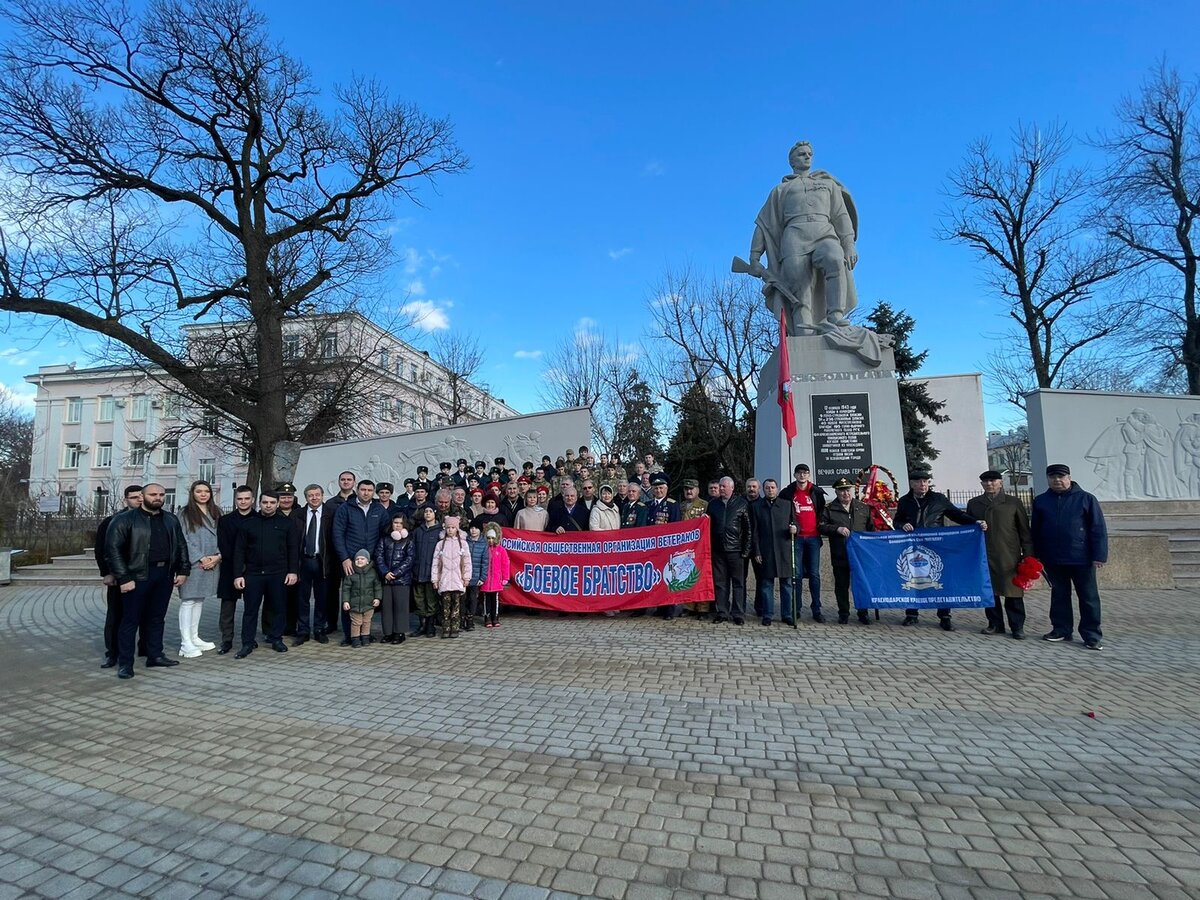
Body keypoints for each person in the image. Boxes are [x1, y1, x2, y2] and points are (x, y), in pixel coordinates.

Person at [748, 140, 858, 329]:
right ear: (792, 161)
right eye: (802, 154)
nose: (807, 156)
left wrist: (848, 244)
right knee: (799, 288)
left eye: (809, 154)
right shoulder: (780, 190)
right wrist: (754, 256)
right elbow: (764, 224)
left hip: (824, 232)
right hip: (794, 237)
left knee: (835, 259)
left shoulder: (827, 185)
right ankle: (803, 329)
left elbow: (841, 216)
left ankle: (835, 315)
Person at [104, 483, 191, 679]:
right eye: (153, 494)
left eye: (161, 494)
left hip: (164, 576)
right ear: (142, 497)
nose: (158, 497)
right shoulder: (124, 520)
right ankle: (125, 663)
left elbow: (181, 545)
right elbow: (113, 551)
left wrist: (184, 569)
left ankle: (155, 655)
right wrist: (124, 578)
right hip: (137, 577)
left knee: (156, 618)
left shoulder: (170, 519)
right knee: (130, 620)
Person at [893, 466, 986, 630]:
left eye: (925, 481)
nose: (923, 484)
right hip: (914, 546)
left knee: (940, 578)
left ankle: (944, 616)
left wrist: (975, 522)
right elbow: (897, 520)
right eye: (919, 481)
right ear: (912, 484)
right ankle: (912, 614)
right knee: (912, 578)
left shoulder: (938, 499)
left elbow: (957, 515)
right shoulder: (905, 501)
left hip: (936, 545)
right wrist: (902, 524)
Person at [1032, 464, 1108, 650]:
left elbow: (1098, 529)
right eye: (1052, 477)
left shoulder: (1086, 499)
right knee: (1059, 595)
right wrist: (1036, 555)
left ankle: (1091, 635)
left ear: (1069, 477)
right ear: (1048, 479)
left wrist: (1099, 555)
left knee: (1088, 597)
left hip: (1081, 558)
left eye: (1061, 476)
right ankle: (1061, 629)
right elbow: (1035, 531)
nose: (1057, 480)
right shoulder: (1041, 501)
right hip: (1053, 558)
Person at [231, 491, 300, 658]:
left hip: (278, 573)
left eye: (271, 502)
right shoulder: (248, 524)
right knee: (250, 610)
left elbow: (293, 549)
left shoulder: (287, 524)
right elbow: (239, 551)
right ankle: (247, 643)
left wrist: (293, 571)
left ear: (277, 504)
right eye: (265, 502)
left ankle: (276, 638)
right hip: (253, 574)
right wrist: (237, 575)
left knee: (278, 608)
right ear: (259, 503)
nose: (268, 505)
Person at [967, 470, 1033, 639]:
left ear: (1001, 482)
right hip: (984, 555)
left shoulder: (1013, 502)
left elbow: (1025, 531)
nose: (990, 484)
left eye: (993, 481)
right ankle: (995, 624)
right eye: (986, 481)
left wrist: (1028, 555)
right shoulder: (974, 503)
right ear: (981, 484)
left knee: (1013, 593)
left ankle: (1017, 626)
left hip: (1008, 555)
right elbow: (967, 528)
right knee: (990, 592)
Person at [331, 480, 389, 645]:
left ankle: (365, 633)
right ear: (357, 490)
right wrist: (344, 558)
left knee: (368, 598)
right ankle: (349, 635)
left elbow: (385, 533)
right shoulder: (346, 509)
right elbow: (338, 534)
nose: (366, 493)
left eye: (370, 490)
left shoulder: (379, 509)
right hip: (351, 561)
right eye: (363, 489)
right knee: (350, 597)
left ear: (374, 492)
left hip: (372, 562)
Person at [95, 484, 143, 668]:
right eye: (134, 497)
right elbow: (102, 549)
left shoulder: (154, 519)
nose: (139, 500)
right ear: (126, 500)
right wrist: (107, 572)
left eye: (141, 496)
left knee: (146, 615)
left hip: (144, 576)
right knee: (116, 616)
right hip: (120, 576)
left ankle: (146, 649)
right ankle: (113, 653)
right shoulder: (112, 521)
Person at [818, 477, 875, 624]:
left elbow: (870, 529)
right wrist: (836, 529)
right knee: (841, 585)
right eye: (842, 491)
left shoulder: (863, 508)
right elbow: (821, 526)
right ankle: (843, 612)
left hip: (860, 555)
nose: (845, 493)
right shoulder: (829, 509)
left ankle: (863, 612)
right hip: (840, 553)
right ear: (836, 492)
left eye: (847, 490)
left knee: (861, 584)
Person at [176, 480, 222, 658]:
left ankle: (194, 637)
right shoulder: (185, 513)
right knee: (188, 601)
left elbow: (222, 535)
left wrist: (217, 556)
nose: (203, 494)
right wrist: (201, 557)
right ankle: (185, 642)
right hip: (194, 563)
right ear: (192, 493)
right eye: (199, 491)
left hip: (212, 562)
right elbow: (184, 539)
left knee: (199, 600)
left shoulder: (215, 511)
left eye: (206, 491)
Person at [780, 464, 826, 624]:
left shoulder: (816, 491)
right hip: (796, 538)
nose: (802, 475)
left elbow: (821, 511)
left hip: (813, 537)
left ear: (809, 475)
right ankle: (796, 608)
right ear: (794, 475)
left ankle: (816, 609)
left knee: (814, 574)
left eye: (805, 473)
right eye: (799, 473)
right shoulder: (788, 492)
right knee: (797, 575)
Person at [707, 476, 752, 625]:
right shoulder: (713, 504)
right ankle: (722, 612)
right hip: (718, 551)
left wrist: (745, 551)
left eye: (724, 487)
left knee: (738, 583)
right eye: (720, 486)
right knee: (720, 583)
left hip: (736, 551)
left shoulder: (741, 504)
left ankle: (738, 613)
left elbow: (748, 530)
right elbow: (707, 527)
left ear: (731, 488)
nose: (721, 489)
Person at [216, 486, 255, 654]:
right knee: (227, 607)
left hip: (253, 569)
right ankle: (226, 640)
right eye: (240, 499)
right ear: (235, 500)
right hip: (230, 568)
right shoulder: (225, 521)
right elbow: (224, 546)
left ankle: (250, 639)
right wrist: (237, 567)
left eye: (247, 498)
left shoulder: (259, 519)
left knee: (252, 607)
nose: (243, 501)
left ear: (252, 500)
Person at [294, 483, 333, 646]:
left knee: (322, 597)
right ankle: (303, 631)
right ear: (306, 498)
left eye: (317, 495)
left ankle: (319, 629)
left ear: (322, 496)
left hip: (323, 561)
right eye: (311, 495)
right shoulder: (298, 514)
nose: (314, 498)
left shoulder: (331, 513)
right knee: (302, 598)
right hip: (303, 561)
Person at [751, 478, 792, 627]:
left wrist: (795, 529)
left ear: (777, 488)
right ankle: (767, 614)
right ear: (763, 490)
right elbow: (754, 531)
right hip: (766, 550)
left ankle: (787, 614)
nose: (770, 490)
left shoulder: (787, 505)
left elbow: (795, 523)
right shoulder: (757, 507)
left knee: (786, 584)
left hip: (784, 550)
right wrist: (757, 551)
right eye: (767, 488)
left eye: (773, 487)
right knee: (766, 584)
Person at [374, 513, 413, 645]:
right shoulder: (385, 539)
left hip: (402, 580)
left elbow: (409, 559)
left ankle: (399, 632)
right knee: (387, 607)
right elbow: (378, 556)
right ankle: (388, 633)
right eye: (395, 523)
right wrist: (385, 572)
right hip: (386, 579)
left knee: (400, 607)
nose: (397, 525)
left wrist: (396, 573)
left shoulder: (408, 540)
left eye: (400, 523)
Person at [431, 515, 471, 639]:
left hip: (458, 580)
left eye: (453, 527)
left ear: (457, 529)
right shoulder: (440, 545)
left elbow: (467, 561)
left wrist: (466, 577)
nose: (450, 530)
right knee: (445, 606)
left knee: (456, 605)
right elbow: (435, 563)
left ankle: (455, 627)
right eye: (448, 527)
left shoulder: (463, 544)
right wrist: (435, 579)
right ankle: (446, 628)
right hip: (444, 580)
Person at [411, 504, 443, 637]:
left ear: (435, 514)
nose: (428, 514)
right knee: (419, 599)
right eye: (426, 512)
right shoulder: (418, 531)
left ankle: (430, 626)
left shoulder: (440, 531)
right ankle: (422, 624)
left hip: (432, 572)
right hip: (418, 571)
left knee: (431, 600)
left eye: (430, 511)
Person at [341, 548, 381, 648]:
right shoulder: (351, 573)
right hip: (355, 604)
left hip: (369, 604)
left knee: (367, 622)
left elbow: (377, 587)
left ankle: (365, 637)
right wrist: (345, 601)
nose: (359, 561)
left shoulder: (373, 573)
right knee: (356, 622)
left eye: (362, 559)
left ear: (367, 561)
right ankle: (355, 639)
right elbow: (346, 589)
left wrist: (377, 598)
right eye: (357, 559)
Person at [480, 523, 510, 628]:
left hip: (497, 580)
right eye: (488, 538)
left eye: (493, 538)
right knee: (486, 600)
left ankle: (495, 617)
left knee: (495, 600)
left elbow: (505, 564)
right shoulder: (484, 549)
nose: (491, 540)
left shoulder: (501, 550)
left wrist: (505, 577)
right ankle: (487, 617)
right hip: (486, 580)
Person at [464, 523, 489, 632]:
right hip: (464, 576)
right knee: (462, 598)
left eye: (476, 528)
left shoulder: (484, 544)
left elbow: (485, 562)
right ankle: (461, 618)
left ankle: (470, 619)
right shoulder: (465, 541)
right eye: (472, 528)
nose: (473, 530)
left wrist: (482, 577)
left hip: (476, 576)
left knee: (473, 599)